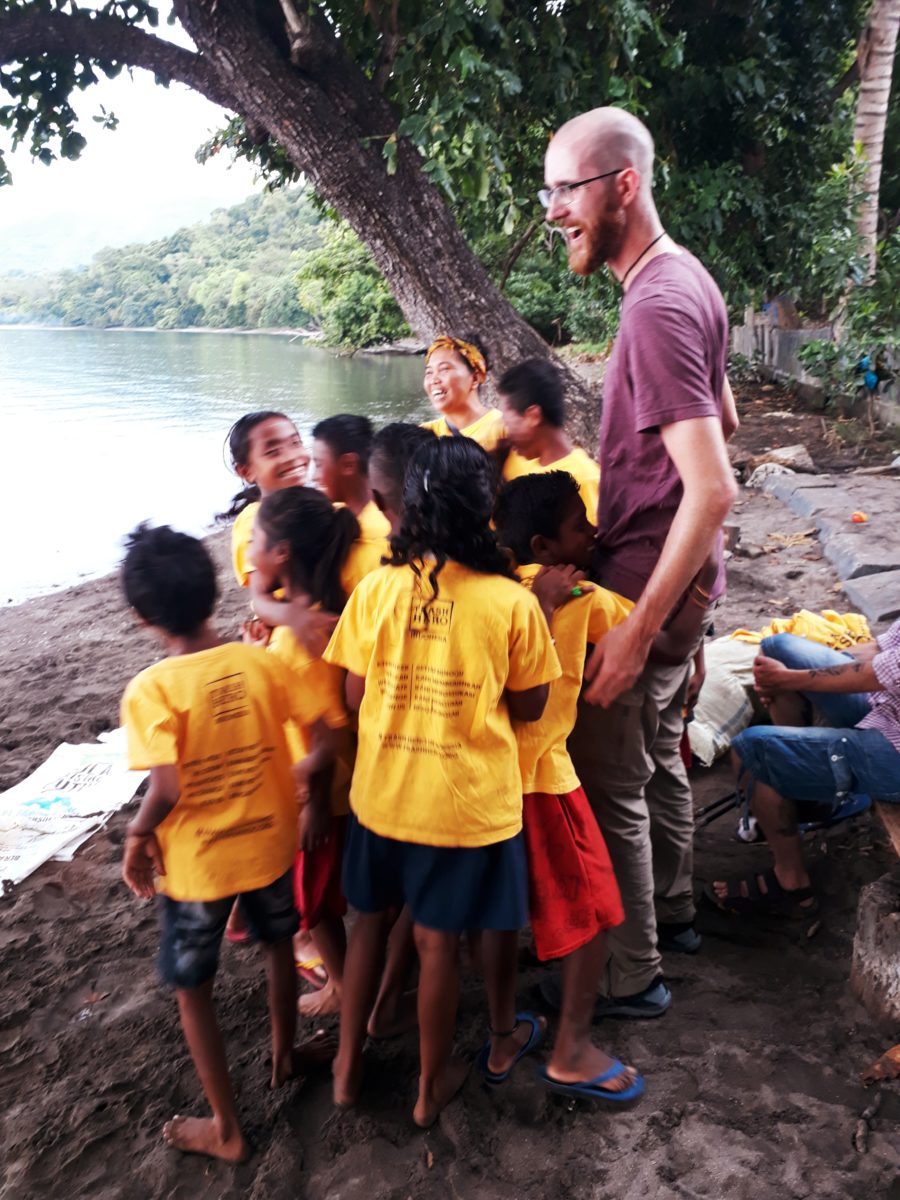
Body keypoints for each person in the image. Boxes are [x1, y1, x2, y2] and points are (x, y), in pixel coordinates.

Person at [542, 107, 738, 1012]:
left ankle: (635, 975)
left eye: (567, 189)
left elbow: (716, 486)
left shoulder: (655, 304)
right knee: (658, 759)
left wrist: (636, 633)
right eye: (548, 191)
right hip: (682, 580)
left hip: (641, 589)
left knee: (612, 779)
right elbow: (724, 421)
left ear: (623, 184)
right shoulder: (684, 279)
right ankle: (678, 911)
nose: (553, 212)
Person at [323, 437, 561, 1127]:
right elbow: (530, 706)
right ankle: (430, 1090)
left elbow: (352, 691)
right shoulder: (509, 602)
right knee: (434, 946)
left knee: (367, 924)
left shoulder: (378, 588)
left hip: (382, 794)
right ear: (486, 508)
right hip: (460, 807)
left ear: (408, 506)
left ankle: (345, 1068)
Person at [118, 524, 337, 1163]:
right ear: (216, 590)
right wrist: (305, 777)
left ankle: (227, 1127)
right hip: (270, 847)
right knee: (277, 949)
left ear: (141, 616)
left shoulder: (151, 690)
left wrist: (137, 833)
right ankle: (286, 1053)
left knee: (194, 988)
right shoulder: (260, 662)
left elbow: (168, 786)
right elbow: (319, 735)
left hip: (197, 868)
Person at [492, 472, 643, 1104]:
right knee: (596, 910)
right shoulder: (583, 599)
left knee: (498, 919)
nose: (594, 533)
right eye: (580, 525)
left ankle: (503, 1035)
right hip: (544, 781)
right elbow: (641, 633)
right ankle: (571, 1050)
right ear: (545, 546)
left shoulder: (491, 592)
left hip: (488, 780)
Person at [248, 487, 360, 1018]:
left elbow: (328, 735)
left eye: (257, 540)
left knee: (315, 905)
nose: (249, 548)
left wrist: (312, 798)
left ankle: (340, 986)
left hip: (322, 794)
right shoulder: (313, 615)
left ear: (282, 553)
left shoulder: (299, 639)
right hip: (334, 785)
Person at [707, 625, 900, 917]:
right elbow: (883, 648)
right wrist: (791, 676)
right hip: (888, 707)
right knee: (777, 648)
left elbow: (879, 673)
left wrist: (788, 679)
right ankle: (803, 796)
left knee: (751, 750)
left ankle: (792, 883)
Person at [498, 358, 601, 523]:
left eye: (508, 423)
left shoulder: (585, 480)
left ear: (533, 416)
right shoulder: (512, 463)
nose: (506, 433)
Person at [221, 410, 310, 589]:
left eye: (296, 443)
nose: (292, 456)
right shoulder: (254, 522)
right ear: (246, 471)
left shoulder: (318, 503)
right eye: (273, 451)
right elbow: (262, 593)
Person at [421, 334, 506, 452]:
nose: (434, 380)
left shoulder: (504, 429)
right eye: (429, 372)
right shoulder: (424, 434)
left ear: (475, 378)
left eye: (444, 369)